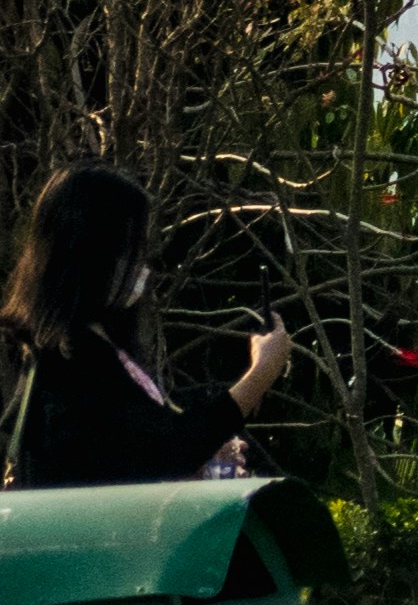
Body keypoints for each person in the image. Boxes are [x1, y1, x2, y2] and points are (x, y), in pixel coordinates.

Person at [5, 164, 282, 489]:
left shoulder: (92, 345)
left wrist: (209, 450)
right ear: (90, 252)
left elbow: (140, 446)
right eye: (129, 250)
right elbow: (167, 451)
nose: (140, 265)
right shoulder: (67, 357)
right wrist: (260, 375)